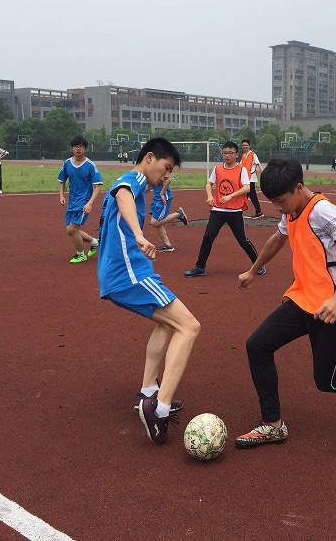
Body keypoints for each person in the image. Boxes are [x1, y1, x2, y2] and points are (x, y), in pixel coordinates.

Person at [235, 157, 336, 448]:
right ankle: (272, 424)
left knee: (327, 381)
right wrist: (253, 270)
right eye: (273, 203)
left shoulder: (322, 211)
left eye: (281, 201)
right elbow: (277, 239)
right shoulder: (292, 210)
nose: (278, 208)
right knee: (257, 345)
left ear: (298, 187)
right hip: (305, 300)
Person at [97, 137, 201, 445]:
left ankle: (148, 392)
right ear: (150, 158)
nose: (165, 175)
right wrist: (139, 234)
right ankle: (159, 409)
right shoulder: (134, 179)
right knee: (189, 326)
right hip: (128, 273)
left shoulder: (136, 182)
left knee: (167, 324)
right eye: (166, 168)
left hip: (121, 273)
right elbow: (124, 196)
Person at [184, 141, 262, 278]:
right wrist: (210, 196)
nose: (227, 155)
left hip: (235, 211)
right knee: (208, 237)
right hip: (218, 210)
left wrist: (230, 196)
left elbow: (247, 188)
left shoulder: (242, 170)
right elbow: (209, 184)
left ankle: (258, 264)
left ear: (236, 155)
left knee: (242, 239)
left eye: (230, 153)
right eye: (225, 153)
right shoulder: (218, 169)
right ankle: (200, 267)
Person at [58, 136, 103, 263]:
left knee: (74, 229)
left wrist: (90, 203)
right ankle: (94, 242)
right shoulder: (67, 163)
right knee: (70, 231)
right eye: (76, 146)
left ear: (85, 149)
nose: (78, 149)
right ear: (72, 148)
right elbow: (62, 180)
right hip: (72, 201)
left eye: (81, 147)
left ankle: (81, 254)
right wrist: (61, 195)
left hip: (84, 202)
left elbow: (97, 186)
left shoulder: (90, 166)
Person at [148, 178, 188, 252]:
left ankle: (178, 214)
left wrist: (161, 193)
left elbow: (168, 180)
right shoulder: (149, 173)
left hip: (163, 199)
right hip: (157, 198)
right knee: (156, 223)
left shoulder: (159, 171)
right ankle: (168, 245)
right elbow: (150, 185)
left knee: (155, 222)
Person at [240, 139, 264, 218]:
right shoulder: (243, 156)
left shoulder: (253, 154)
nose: (245, 146)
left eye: (246, 145)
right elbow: (240, 166)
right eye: (243, 145)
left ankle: (258, 211)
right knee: (246, 194)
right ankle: (257, 211)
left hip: (251, 178)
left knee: (251, 195)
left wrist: (263, 173)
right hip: (245, 179)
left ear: (249, 146)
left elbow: (258, 164)